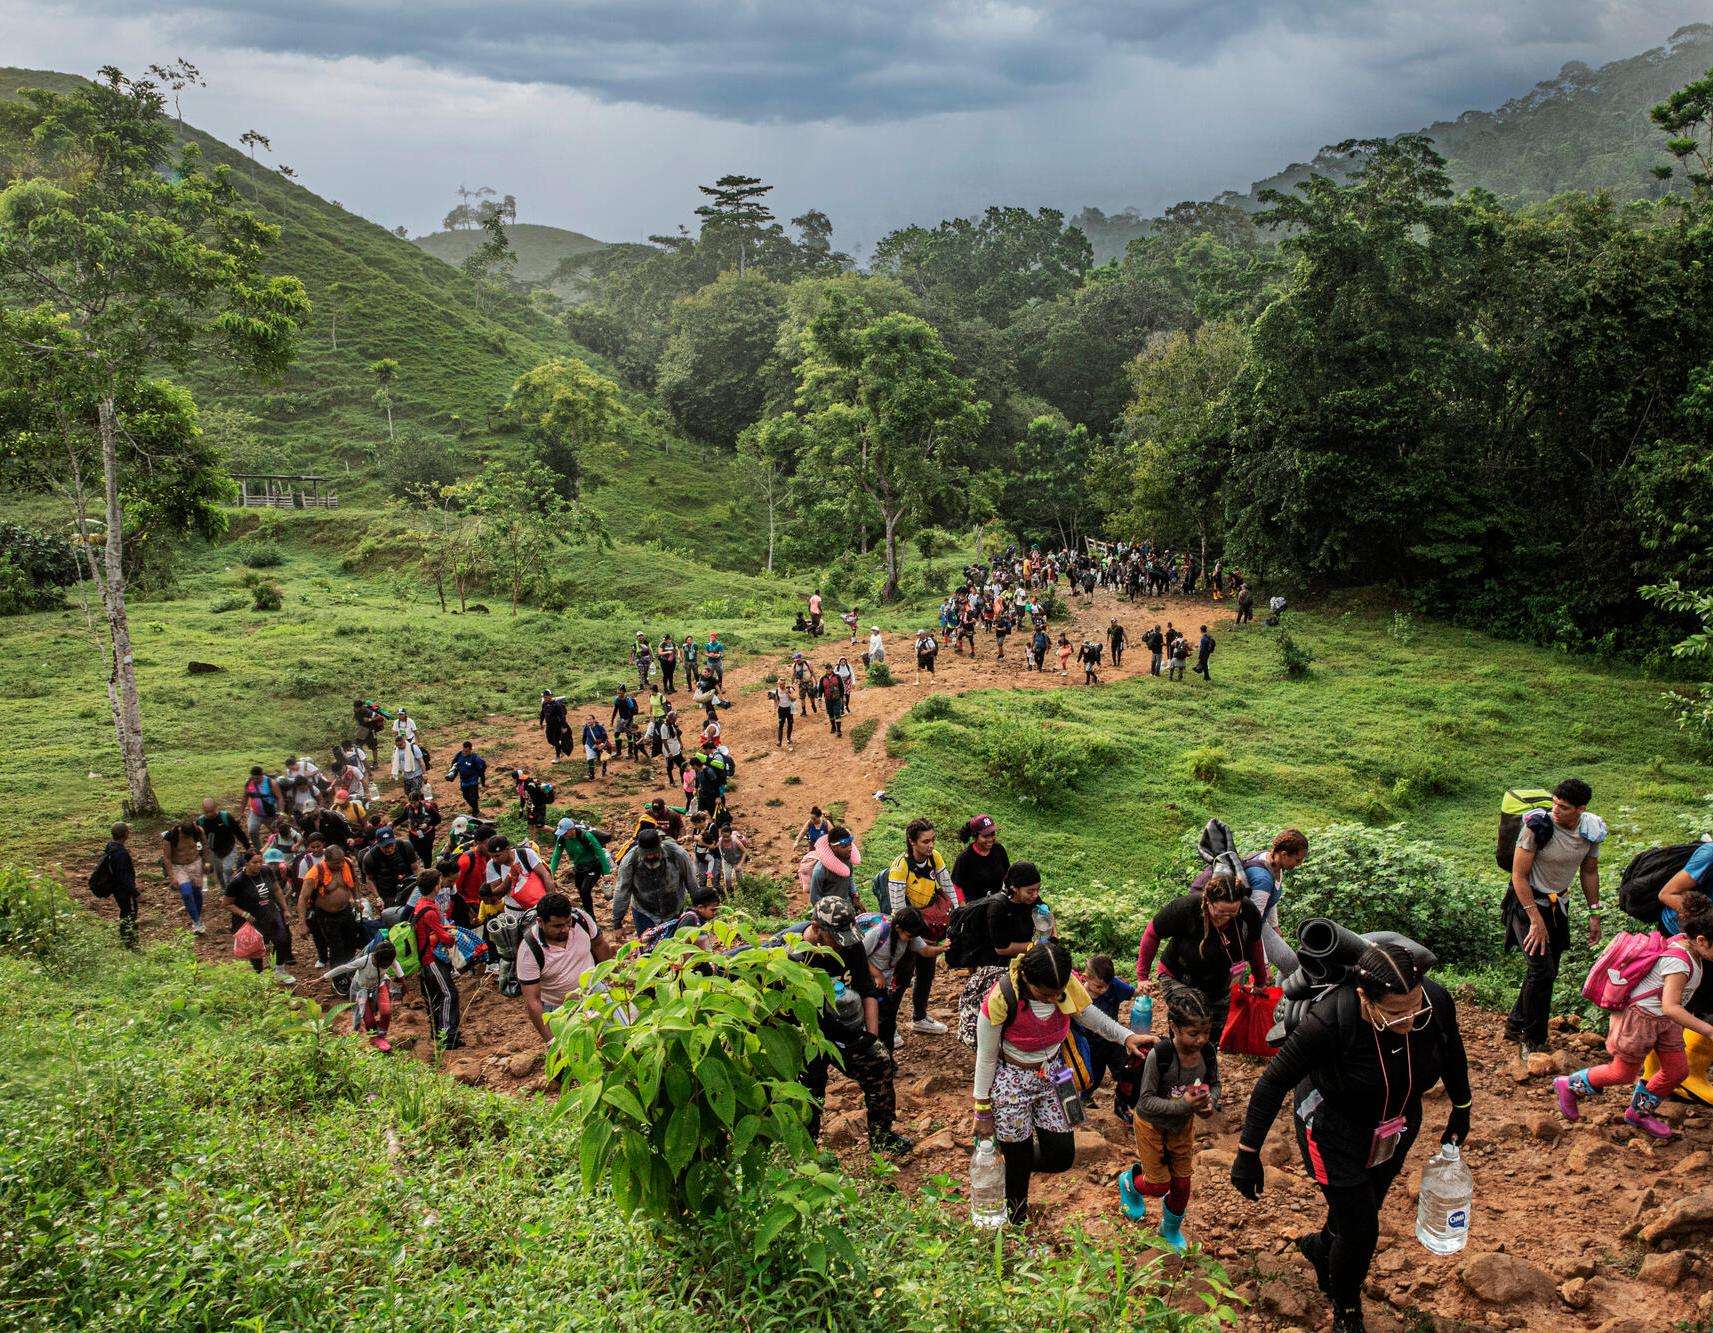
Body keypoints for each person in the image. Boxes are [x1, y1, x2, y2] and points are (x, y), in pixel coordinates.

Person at [1230, 943, 1472, 1333]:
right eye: (1396, 1012)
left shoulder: (1435, 1002)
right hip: (1331, 1129)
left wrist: (1462, 1107)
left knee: (1364, 1208)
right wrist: (1247, 1152)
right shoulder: (1331, 1019)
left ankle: (1321, 1247)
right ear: (1364, 997)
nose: (1410, 1019)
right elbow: (1272, 1083)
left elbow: (1452, 1051)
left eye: (1415, 1007)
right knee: (1362, 1229)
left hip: (1397, 1125)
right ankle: (1345, 1305)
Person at [972, 941, 1152, 1225]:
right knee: (1018, 1166)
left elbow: (1089, 1015)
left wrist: (1126, 1036)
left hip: (1056, 1072)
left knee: (1061, 1156)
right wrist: (982, 1109)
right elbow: (985, 1057)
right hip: (1012, 1079)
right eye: (1046, 994)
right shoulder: (1001, 998)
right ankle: (1017, 1220)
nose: (1054, 1000)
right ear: (1027, 979)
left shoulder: (1067, 985)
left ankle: (1010, 1160)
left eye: (1058, 994)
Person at [1555, 892, 1713, 1138]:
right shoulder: (1679, 963)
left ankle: (1639, 1113)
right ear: (1701, 940)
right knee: (1622, 1073)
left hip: (1665, 1021)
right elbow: (1671, 1006)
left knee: (1677, 1070)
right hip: (1640, 1019)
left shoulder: (1690, 945)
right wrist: (1708, 1030)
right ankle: (1569, 1085)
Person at [792, 897, 912, 1155]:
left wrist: (871, 1036)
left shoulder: (851, 944)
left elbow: (867, 990)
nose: (843, 943)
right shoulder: (792, 951)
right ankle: (806, 1154)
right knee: (809, 1093)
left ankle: (882, 1137)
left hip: (846, 1029)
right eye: (837, 938)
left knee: (880, 1065)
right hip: (808, 1036)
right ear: (817, 928)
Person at [1503, 778, 1605, 1059]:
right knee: (1542, 970)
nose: (1556, 811)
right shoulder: (1536, 828)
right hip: (1526, 903)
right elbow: (1519, 876)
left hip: (1557, 906)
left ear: (1581, 809)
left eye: (1564, 807)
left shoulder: (1591, 832)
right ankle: (1532, 1039)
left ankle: (1515, 1023)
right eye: (1555, 804)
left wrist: (1594, 913)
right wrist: (1535, 920)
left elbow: (1589, 871)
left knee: (1548, 969)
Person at [1134, 873, 1266, 1083]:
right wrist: (1142, 976)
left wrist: (1260, 980)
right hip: (1179, 977)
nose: (1226, 917)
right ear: (1208, 902)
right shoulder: (1186, 908)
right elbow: (1152, 933)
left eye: (1233, 912)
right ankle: (1171, 1077)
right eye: (1220, 912)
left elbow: (1255, 945)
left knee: (1208, 1037)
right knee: (1191, 1021)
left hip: (1219, 983)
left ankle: (1202, 1082)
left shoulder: (1248, 912)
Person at [1116, 982, 1216, 1252]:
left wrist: (1209, 1102)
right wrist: (1184, 1104)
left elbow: (1214, 1084)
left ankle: (1169, 1230)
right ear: (1174, 1027)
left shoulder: (1207, 1052)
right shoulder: (1159, 1056)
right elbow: (1146, 1102)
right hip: (1151, 1125)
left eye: (1206, 1032)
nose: (1201, 1040)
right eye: (1193, 1033)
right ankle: (1129, 1182)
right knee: (1159, 1185)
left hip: (1181, 1127)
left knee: (1182, 1184)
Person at [886, 819, 957, 1035]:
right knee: (902, 977)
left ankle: (920, 1017)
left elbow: (947, 886)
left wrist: (956, 914)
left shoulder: (935, 858)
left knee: (927, 973)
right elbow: (898, 910)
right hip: (907, 928)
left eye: (933, 840)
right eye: (925, 841)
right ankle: (888, 1026)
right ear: (912, 841)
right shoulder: (900, 867)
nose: (931, 845)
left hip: (929, 924)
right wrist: (914, 939)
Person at [517, 891, 611, 1044]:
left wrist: (611, 974)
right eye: (557, 926)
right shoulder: (529, 950)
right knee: (577, 1051)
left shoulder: (581, 919)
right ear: (540, 922)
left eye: (568, 922)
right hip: (560, 1009)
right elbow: (533, 1001)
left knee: (619, 1035)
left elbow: (599, 944)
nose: (565, 929)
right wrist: (551, 1042)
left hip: (595, 992)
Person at [864, 905, 931, 1053]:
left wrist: (942, 948)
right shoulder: (878, 933)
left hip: (884, 983)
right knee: (877, 1019)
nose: (911, 939)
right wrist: (877, 974)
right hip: (868, 981)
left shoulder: (908, 935)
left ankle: (887, 1055)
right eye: (909, 935)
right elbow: (859, 956)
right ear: (898, 928)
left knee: (887, 1020)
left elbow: (925, 950)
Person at [223, 849, 296, 984]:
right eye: (254, 862)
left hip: (271, 912)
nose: (258, 865)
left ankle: (279, 971)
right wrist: (244, 913)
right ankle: (260, 976)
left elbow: (276, 889)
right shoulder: (238, 881)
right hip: (253, 918)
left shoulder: (266, 871)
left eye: (260, 862)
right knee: (256, 947)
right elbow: (227, 904)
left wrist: (285, 909)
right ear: (246, 863)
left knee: (282, 939)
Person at [1243, 830, 1310, 976]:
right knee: (1287, 968)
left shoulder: (1274, 862)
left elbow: (1271, 898)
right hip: (1246, 928)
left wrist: (1275, 926)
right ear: (1284, 854)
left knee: (1291, 964)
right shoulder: (1263, 879)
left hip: (1259, 922)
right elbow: (1252, 924)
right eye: (1297, 860)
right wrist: (1262, 964)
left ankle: (1284, 990)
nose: (1300, 864)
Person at [612, 826, 696, 936]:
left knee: (674, 943)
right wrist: (617, 923)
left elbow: (691, 882)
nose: (650, 856)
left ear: (660, 846)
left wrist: (699, 907)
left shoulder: (677, 854)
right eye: (646, 854)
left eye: (654, 852)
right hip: (644, 912)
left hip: (674, 910)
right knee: (647, 945)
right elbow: (622, 891)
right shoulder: (630, 861)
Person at [1076, 954, 1136, 1105]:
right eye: (1099, 986)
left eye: (1107, 986)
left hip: (1114, 1040)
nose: (1104, 990)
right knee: (1093, 1077)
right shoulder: (1080, 996)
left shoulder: (1114, 985)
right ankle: (1085, 1100)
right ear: (1085, 978)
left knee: (1124, 1071)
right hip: (1091, 1046)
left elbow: (1132, 993)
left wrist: (1142, 990)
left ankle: (1123, 1102)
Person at [412, 883, 462, 1050]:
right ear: (435, 887)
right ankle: (447, 1036)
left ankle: (438, 1034)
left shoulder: (420, 904)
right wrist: (452, 937)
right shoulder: (430, 911)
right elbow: (444, 937)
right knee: (449, 994)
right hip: (432, 959)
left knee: (435, 997)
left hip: (426, 958)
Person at [324, 939, 399, 1051]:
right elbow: (344, 968)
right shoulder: (364, 961)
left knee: (386, 1012)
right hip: (360, 989)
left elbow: (397, 968)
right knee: (368, 1019)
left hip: (379, 985)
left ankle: (381, 1035)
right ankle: (374, 1038)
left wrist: (403, 984)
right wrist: (322, 978)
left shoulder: (389, 958)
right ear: (376, 958)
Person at [301, 843, 365, 972]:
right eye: (336, 863)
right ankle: (338, 976)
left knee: (351, 940)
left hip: (346, 910)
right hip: (327, 915)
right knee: (336, 946)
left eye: (341, 861)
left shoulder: (347, 864)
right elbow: (302, 898)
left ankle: (350, 970)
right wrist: (302, 924)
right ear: (327, 860)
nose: (340, 865)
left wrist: (357, 899)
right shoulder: (315, 873)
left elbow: (354, 883)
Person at [550, 817, 614, 916]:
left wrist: (606, 873)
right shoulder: (562, 839)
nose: (564, 835)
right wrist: (550, 874)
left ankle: (590, 916)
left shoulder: (586, 836)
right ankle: (587, 912)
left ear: (572, 830)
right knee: (580, 888)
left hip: (593, 866)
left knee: (585, 890)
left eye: (565, 833)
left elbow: (600, 852)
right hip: (579, 867)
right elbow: (556, 856)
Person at [93, 821, 139, 948]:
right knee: (130, 914)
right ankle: (130, 943)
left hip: (116, 888)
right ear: (125, 834)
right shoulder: (120, 853)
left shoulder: (111, 847)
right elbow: (124, 876)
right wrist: (136, 893)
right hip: (124, 890)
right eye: (128, 831)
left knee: (125, 913)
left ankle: (127, 941)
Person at [160, 820, 208, 935]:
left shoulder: (198, 831)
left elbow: (205, 845)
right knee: (187, 894)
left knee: (197, 893)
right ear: (181, 830)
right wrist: (172, 877)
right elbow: (167, 857)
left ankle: (196, 917)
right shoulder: (171, 836)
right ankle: (197, 923)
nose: (188, 838)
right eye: (186, 836)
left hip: (195, 863)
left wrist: (206, 862)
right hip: (179, 867)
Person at [951, 814, 1010, 904]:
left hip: (997, 901)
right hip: (974, 905)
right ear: (975, 836)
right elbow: (956, 886)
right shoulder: (965, 858)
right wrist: (963, 908)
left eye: (992, 834)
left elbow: (1007, 874)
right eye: (985, 836)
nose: (990, 839)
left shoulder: (999, 850)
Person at [198, 797, 252, 892]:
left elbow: (238, 832)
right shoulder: (200, 822)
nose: (210, 814)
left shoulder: (225, 817)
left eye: (212, 811)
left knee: (227, 869)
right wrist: (201, 854)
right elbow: (198, 840)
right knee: (218, 871)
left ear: (216, 808)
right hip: (213, 851)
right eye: (207, 812)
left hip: (229, 847)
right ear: (203, 811)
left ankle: (231, 888)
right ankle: (224, 888)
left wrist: (247, 846)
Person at [805, 826, 864, 909]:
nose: (849, 848)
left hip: (847, 905)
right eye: (844, 846)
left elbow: (849, 877)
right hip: (831, 911)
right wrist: (828, 912)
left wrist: (854, 894)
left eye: (850, 844)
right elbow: (814, 898)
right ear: (833, 847)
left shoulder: (847, 859)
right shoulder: (820, 870)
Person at [362, 826, 420, 908]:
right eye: (385, 847)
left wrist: (419, 885)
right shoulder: (370, 857)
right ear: (378, 843)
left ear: (394, 839)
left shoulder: (405, 846)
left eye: (391, 845)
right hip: (388, 894)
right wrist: (378, 898)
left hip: (409, 887)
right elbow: (370, 879)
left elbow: (415, 868)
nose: (389, 849)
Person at [446, 741, 488, 815]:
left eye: (467, 751)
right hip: (464, 781)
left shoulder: (475, 757)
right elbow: (454, 765)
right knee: (466, 796)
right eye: (464, 750)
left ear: (470, 749)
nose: (465, 752)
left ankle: (475, 811)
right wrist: (451, 775)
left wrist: (483, 782)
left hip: (473, 780)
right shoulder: (459, 755)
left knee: (474, 797)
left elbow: (481, 770)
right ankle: (475, 809)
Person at [243, 765, 281, 843]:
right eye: (253, 778)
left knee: (277, 832)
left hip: (270, 814)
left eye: (257, 778)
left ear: (262, 775)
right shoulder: (248, 783)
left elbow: (280, 798)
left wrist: (281, 813)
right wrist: (241, 812)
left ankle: (279, 845)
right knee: (252, 831)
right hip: (255, 813)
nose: (255, 780)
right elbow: (245, 797)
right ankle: (258, 849)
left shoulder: (271, 783)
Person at [391, 733, 427, 797]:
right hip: (406, 776)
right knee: (408, 794)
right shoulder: (396, 750)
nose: (399, 747)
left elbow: (421, 761)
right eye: (397, 745)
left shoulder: (413, 748)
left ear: (404, 742)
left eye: (400, 745)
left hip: (416, 774)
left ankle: (420, 801)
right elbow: (395, 761)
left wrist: (424, 774)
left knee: (415, 794)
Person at [768, 677, 798, 751]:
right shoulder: (777, 691)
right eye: (780, 684)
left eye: (782, 684)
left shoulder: (789, 689)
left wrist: (788, 694)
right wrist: (774, 710)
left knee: (790, 724)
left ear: (785, 684)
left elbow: (794, 698)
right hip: (781, 709)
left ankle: (788, 738)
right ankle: (779, 741)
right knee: (780, 725)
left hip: (789, 709)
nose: (781, 685)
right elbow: (776, 701)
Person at [580, 715, 610, 781]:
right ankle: (592, 775)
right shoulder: (586, 727)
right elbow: (584, 737)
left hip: (600, 745)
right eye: (587, 719)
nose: (588, 721)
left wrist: (601, 744)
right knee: (590, 759)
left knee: (603, 758)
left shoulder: (600, 727)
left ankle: (604, 770)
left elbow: (605, 737)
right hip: (590, 745)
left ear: (594, 720)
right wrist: (584, 746)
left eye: (590, 719)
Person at [819, 663, 846, 736]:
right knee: (830, 714)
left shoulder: (837, 676)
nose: (828, 670)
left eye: (830, 668)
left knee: (837, 713)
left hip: (836, 698)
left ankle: (838, 730)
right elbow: (820, 689)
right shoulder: (822, 678)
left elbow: (841, 687)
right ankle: (833, 726)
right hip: (828, 699)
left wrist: (843, 696)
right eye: (827, 668)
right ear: (825, 669)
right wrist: (819, 698)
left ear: (832, 669)